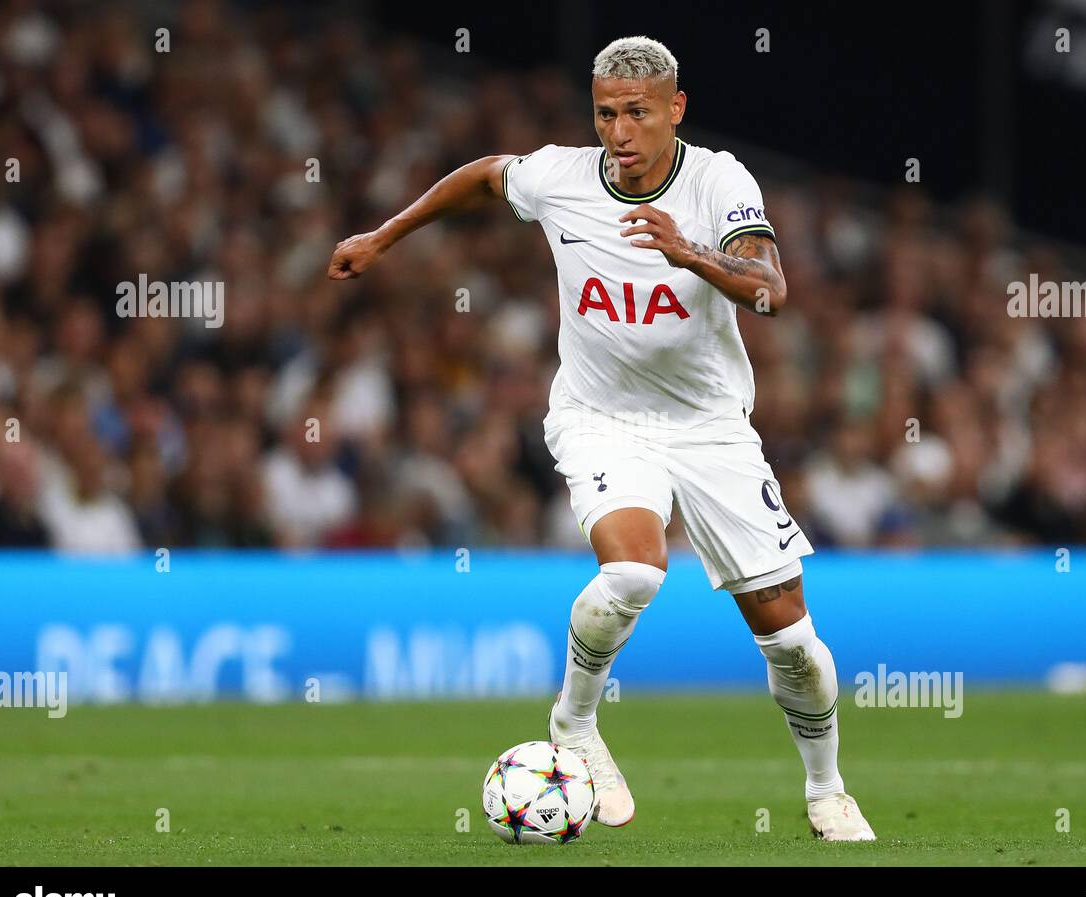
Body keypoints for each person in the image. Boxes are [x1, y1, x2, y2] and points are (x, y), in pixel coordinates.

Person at [328, 35, 874, 841]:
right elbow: (484, 176)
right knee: (632, 572)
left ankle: (827, 789)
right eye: (606, 114)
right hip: (601, 419)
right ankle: (574, 724)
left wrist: (687, 252)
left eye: (637, 114)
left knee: (791, 637)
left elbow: (771, 291)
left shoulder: (721, 181)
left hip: (711, 428)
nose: (619, 133)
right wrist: (384, 235)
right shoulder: (562, 177)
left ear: (675, 110)